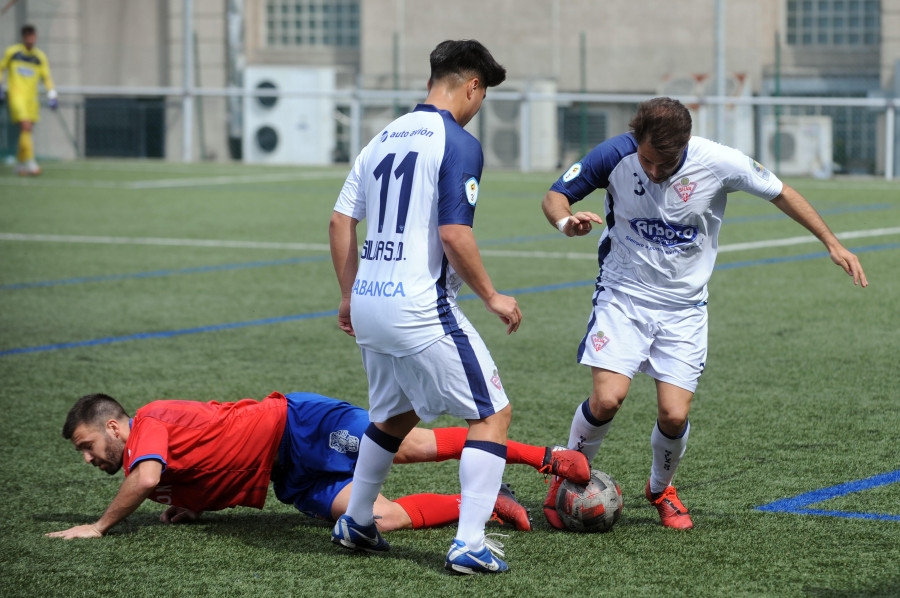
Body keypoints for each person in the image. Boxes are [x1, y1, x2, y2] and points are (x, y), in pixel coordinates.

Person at [541, 97, 868, 531]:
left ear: (685, 146)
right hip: (623, 295)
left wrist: (833, 243)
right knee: (606, 399)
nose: (654, 171)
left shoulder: (719, 162)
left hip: (684, 308)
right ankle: (564, 480)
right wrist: (567, 223)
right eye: (647, 160)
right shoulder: (615, 153)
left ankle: (661, 489)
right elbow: (555, 196)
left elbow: (782, 193)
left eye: (666, 163)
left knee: (674, 415)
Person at [329, 40, 521, 574]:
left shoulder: (381, 137)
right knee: (492, 413)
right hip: (419, 307)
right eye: (482, 94)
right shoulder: (458, 142)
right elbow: (454, 234)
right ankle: (470, 542)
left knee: (394, 414)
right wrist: (491, 296)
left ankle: (358, 519)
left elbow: (340, 220)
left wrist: (348, 293)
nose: (479, 105)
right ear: (472, 85)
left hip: (371, 302)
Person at [45, 391, 589, 540]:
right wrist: (195, 505)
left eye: (88, 445)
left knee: (410, 447)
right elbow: (188, 472)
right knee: (374, 519)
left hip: (296, 425)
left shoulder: (150, 422)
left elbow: (145, 476)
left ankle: (543, 457)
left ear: (116, 426)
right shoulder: (157, 473)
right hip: (289, 477)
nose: (90, 458)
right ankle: (483, 502)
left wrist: (98, 526)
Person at [0, 24, 57, 176]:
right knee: (26, 127)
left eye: (34, 37)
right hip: (16, 97)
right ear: (24, 37)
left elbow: (47, 77)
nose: (32, 40)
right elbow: (1, 68)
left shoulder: (39, 57)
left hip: (32, 100)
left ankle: (19, 164)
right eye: (29, 37)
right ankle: (31, 163)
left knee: (26, 130)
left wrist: (52, 95)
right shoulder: (12, 52)